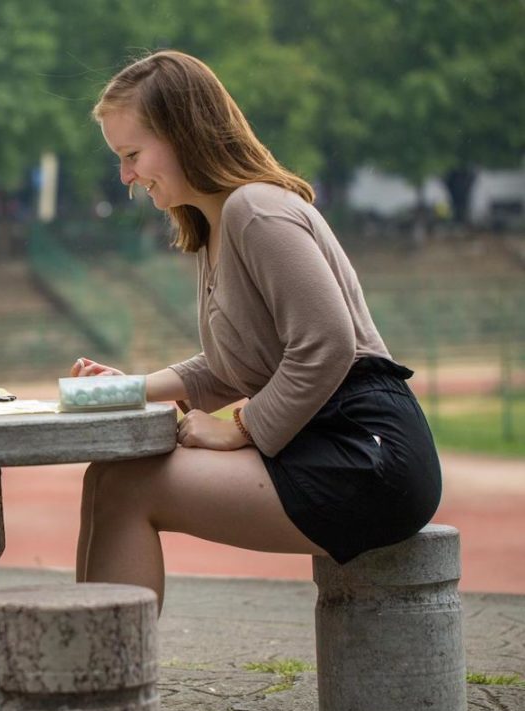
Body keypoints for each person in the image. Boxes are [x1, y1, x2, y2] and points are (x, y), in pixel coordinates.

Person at [72, 50, 441, 609]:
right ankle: (91, 681)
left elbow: (327, 345)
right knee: (109, 478)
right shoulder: (214, 225)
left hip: (369, 454)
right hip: (325, 440)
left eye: (131, 154)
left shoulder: (255, 210)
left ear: (181, 134)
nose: (125, 175)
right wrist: (128, 388)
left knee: (126, 489)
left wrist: (239, 428)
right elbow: (232, 366)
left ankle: (104, 690)